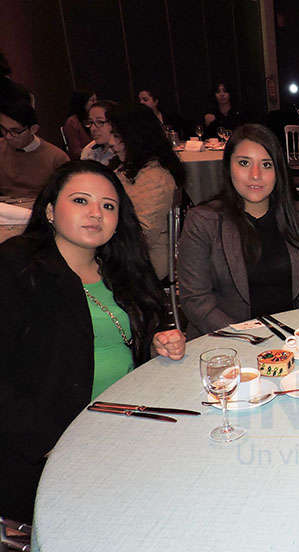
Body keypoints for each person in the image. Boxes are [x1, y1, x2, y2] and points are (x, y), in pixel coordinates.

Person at [0, 160, 186, 523]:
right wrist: (50, 441)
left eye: (108, 205)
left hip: (127, 425)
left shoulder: (121, 266)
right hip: (45, 446)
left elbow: (135, 338)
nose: (96, 214)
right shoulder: (16, 268)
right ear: (51, 210)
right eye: (81, 201)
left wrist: (156, 344)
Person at [178, 124, 299, 337]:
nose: (256, 175)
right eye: (244, 163)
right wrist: (249, 336)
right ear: (228, 166)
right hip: (225, 342)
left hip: (290, 340)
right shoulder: (204, 221)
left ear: (278, 170)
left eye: (266, 165)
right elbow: (196, 301)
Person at [107, 104, 186, 280]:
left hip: (144, 260)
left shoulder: (156, 176)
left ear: (135, 137)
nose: (111, 142)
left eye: (117, 135)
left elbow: (143, 235)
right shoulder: (127, 167)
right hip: (124, 250)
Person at [0, 100, 68, 197]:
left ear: (33, 129)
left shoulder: (56, 158)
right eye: (3, 129)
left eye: (15, 131)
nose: (8, 136)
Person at [80, 99, 118, 165]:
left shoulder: (123, 151)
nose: (92, 128)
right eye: (91, 122)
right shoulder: (89, 151)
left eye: (100, 122)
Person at [61, 90, 95, 159]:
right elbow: (75, 151)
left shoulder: (95, 118)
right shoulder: (72, 122)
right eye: (92, 100)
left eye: (96, 100)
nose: (95, 103)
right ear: (82, 102)